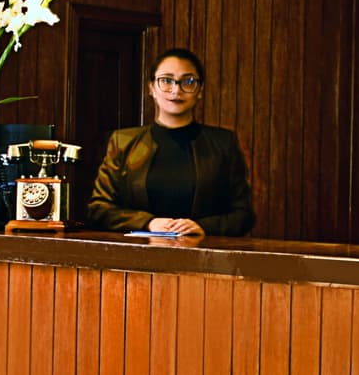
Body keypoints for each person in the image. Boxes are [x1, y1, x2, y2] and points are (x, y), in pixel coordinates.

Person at [86, 48, 255, 236]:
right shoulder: (123, 142)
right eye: (166, 80)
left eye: (188, 81)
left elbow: (244, 215)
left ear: (200, 90)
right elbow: (98, 209)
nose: (176, 90)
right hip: (136, 257)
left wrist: (202, 227)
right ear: (151, 88)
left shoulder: (224, 143)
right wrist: (148, 223)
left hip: (205, 257)